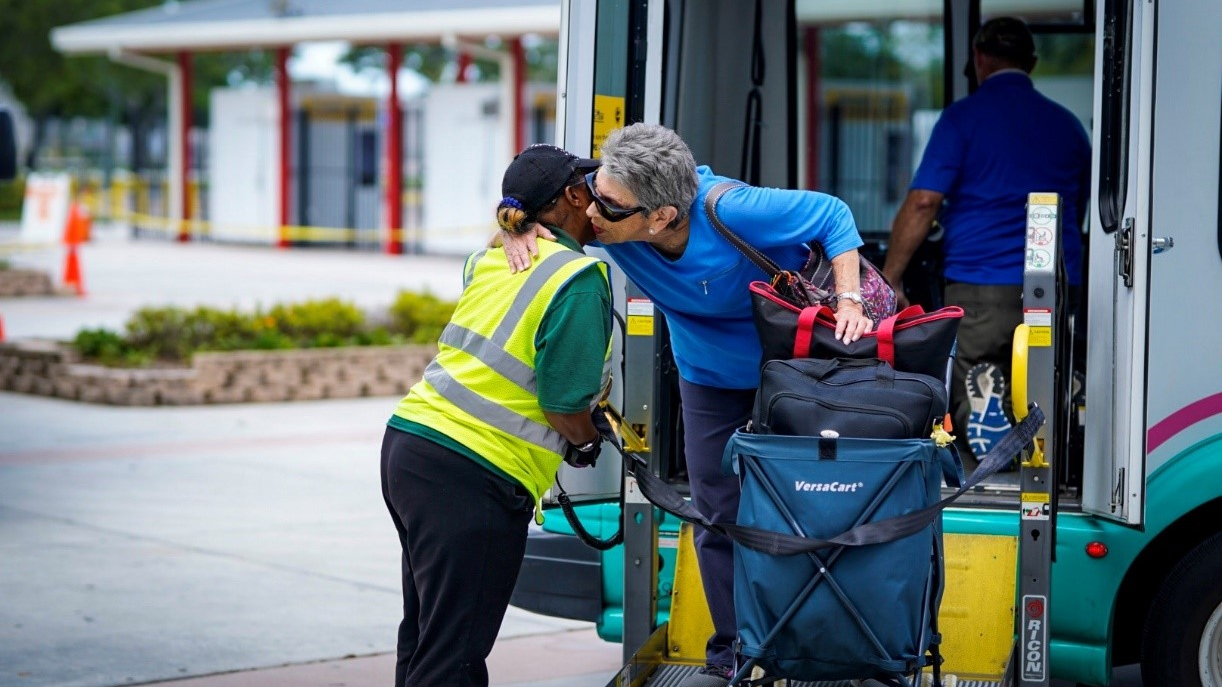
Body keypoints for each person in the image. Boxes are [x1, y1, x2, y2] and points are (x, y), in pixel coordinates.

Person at [502, 123, 871, 687]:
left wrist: (849, 299)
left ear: (663, 217)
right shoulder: (609, 213)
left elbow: (833, 215)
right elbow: (530, 186)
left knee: (810, 510)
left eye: (608, 204)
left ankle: (818, 639)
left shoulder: (733, 208)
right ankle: (736, 647)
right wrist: (513, 228)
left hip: (794, 375)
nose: (590, 212)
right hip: (707, 380)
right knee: (716, 514)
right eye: (594, 190)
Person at [380, 144, 613, 687]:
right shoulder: (577, 281)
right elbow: (563, 404)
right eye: (593, 187)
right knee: (454, 655)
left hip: (410, 448)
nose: (601, 198)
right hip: (472, 474)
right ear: (574, 198)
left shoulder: (487, 258)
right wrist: (584, 442)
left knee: (425, 636)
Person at [881, 17, 1091, 462]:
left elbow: (923, 203)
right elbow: (1081, 210)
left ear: (978, 59)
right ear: (1031, 64)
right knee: (1044, 382)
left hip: (980, 288)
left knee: (977, 377)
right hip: (1056, 287)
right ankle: (1042, 444)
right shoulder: (1070, 128)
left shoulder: (962, 119)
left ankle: (987, 466)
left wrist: (891, 278)